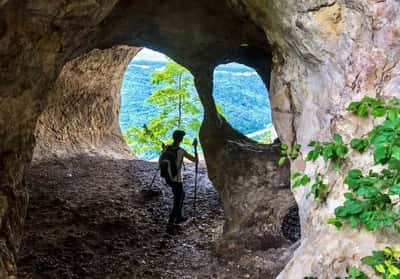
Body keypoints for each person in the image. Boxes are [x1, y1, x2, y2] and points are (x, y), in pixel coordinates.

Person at [161, 130, 198, 224]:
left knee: (180, 194)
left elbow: (161, 158)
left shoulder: (166, 147)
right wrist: (195, 148)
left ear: (174, 138)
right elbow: (195, 160)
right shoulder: (181, 151)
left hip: (167, 177)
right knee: (179, 198)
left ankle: (179, 216)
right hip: (176, 179)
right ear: (181, 139)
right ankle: (172, 220)